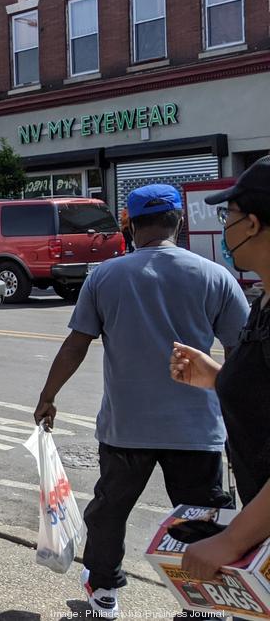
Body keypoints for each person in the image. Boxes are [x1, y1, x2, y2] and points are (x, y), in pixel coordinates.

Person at [32, 184, 248, 618]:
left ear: (130, 226)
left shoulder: (105, 276)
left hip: (125, 430)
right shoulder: (214, 276)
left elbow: (76, 344)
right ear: (178, 222)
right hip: (196, 429)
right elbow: (243, 354)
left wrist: (48, 396)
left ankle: (103, 597)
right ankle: (204, 606)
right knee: (200, 519)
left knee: (109, 514)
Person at [165, 158, 270, 580]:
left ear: (253, 225)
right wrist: (216, 378)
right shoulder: (263, 301)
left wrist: (231, 540)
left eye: (229, 216)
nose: (225, 228)